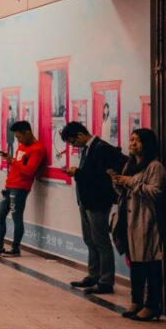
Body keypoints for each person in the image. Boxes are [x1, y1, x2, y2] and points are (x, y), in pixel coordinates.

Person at [61, 121, 125, 295]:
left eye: (72, 141)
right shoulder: (88, 149)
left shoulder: (101, 148)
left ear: (80, 135)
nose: (73, 145)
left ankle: (106, 281)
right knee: (90, 240)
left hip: (97, 203)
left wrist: (78, 173)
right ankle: (93, 274)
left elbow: (103, 177)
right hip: (86, 201)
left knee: (101, 241)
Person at [110, 129, 165, 322]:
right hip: (128, 220)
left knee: (150, 264)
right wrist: (117, 182)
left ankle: (152, 305)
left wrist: (130, 182)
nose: (132, 143)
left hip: (146, 220)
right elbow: (123, 191)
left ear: (147, 144)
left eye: (137, 140)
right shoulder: (130, 164)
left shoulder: (155, 166)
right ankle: (136, 301)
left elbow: (156, 191)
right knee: (135, 264)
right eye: (131, 139)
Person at [0, 120, 46, 257]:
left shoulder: (37, 149)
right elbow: (19, 164)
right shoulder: (22, 146)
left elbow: (29, 171)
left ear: (27, 133)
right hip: (9, 185)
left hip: (20, 187)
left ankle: (15, 249)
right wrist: (11, 160)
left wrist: (12, 161)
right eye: (16, 137)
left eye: (19, 137)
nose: (18, 140)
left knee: (16, 218)